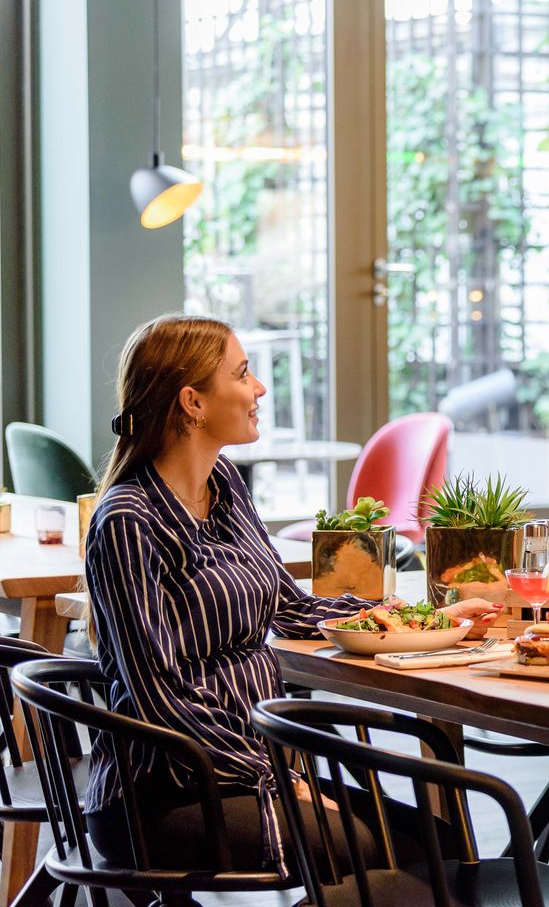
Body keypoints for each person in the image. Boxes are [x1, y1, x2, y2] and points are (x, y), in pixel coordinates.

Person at [83, 315, 500, 875]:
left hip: (258, 764)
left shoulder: (224, 485)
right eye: (243, 373)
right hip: (169, 790)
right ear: (192, 402)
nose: (258, 389)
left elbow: (292, 607)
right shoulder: (128, 520)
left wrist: (423, 620)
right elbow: (159, 697)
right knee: (381, 854)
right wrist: (275, 774)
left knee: (440, 844)